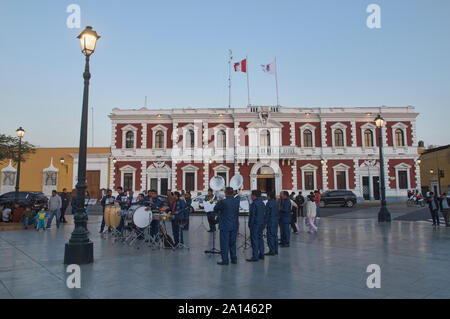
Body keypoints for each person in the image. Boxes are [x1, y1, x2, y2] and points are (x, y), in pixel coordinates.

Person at [214, 187, 240, 265]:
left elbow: (215, 209)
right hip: (234, 224)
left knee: (224, 243)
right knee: (233, 243)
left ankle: (225, 260)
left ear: (226, 193)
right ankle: (234, 258)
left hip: (225, 225)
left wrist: (219, 202)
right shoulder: (236, 201)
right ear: (232, 193)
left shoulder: (223, 202)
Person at [247, 190, 265, 262]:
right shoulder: (262, 203)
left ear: (254, 196)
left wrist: (250, 224)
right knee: (260, 238)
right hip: (261, 223)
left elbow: (253, 215)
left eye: (251, 195)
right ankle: (261, 254)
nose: (251, 196)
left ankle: (255, 256)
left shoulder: (254, 204)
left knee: (254, 240)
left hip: (255, 224)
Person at [264, 192, 279, 256]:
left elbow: (267, 214)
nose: (267, 197)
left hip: (270, 221)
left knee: (270, 237)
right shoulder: (275, 203)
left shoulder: (269, 203)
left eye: (267, 196)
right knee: (275, 236)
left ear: (269, 196)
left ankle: (271, 250)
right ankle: (275, 250)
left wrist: (265, 223)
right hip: (275, 221)